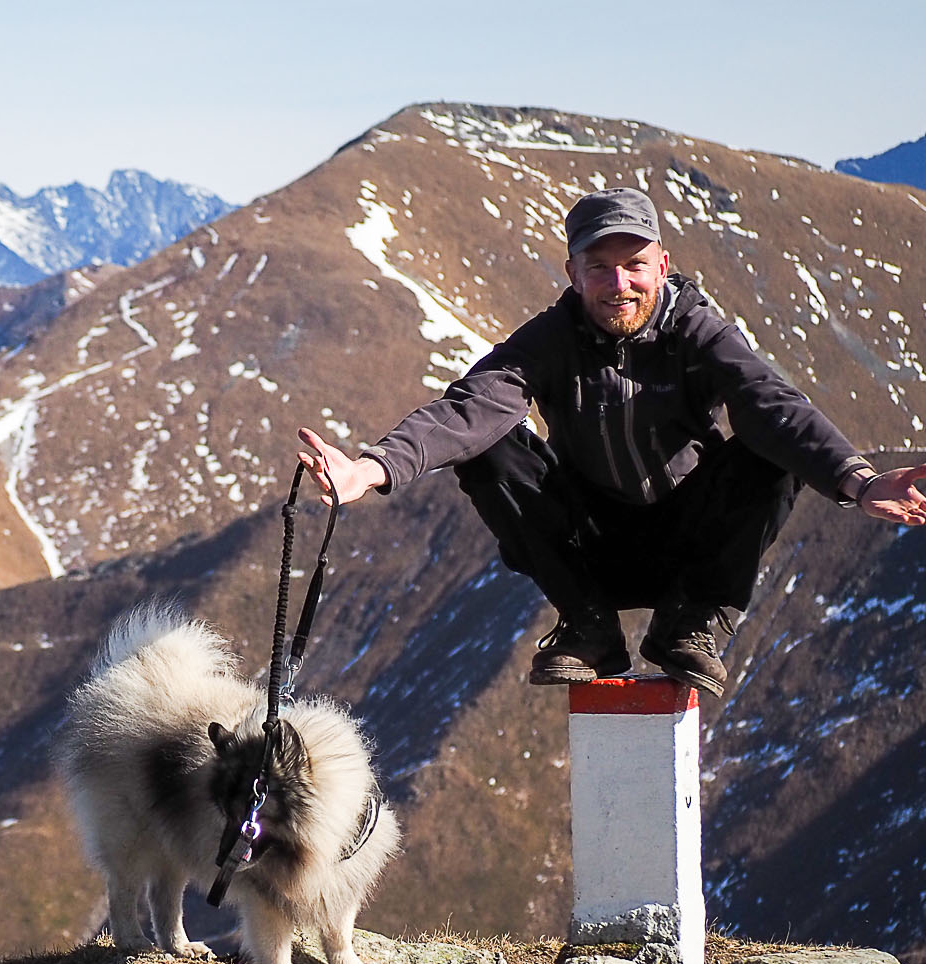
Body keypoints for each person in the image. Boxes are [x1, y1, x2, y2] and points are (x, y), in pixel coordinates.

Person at [295, 187, 926, 698]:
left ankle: (694, 623)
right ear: (572, 274)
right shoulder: (548, 339)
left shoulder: (698, 331)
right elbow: (467, 410)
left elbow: (769, 401)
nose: (618, 283)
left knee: (769, 451)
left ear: (663, 266)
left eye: (634, 266)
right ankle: (589, 626)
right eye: (598, 268)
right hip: (589, 546)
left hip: (691, 542)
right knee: (488, 447)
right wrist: (370, 470)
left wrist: (858, 480)